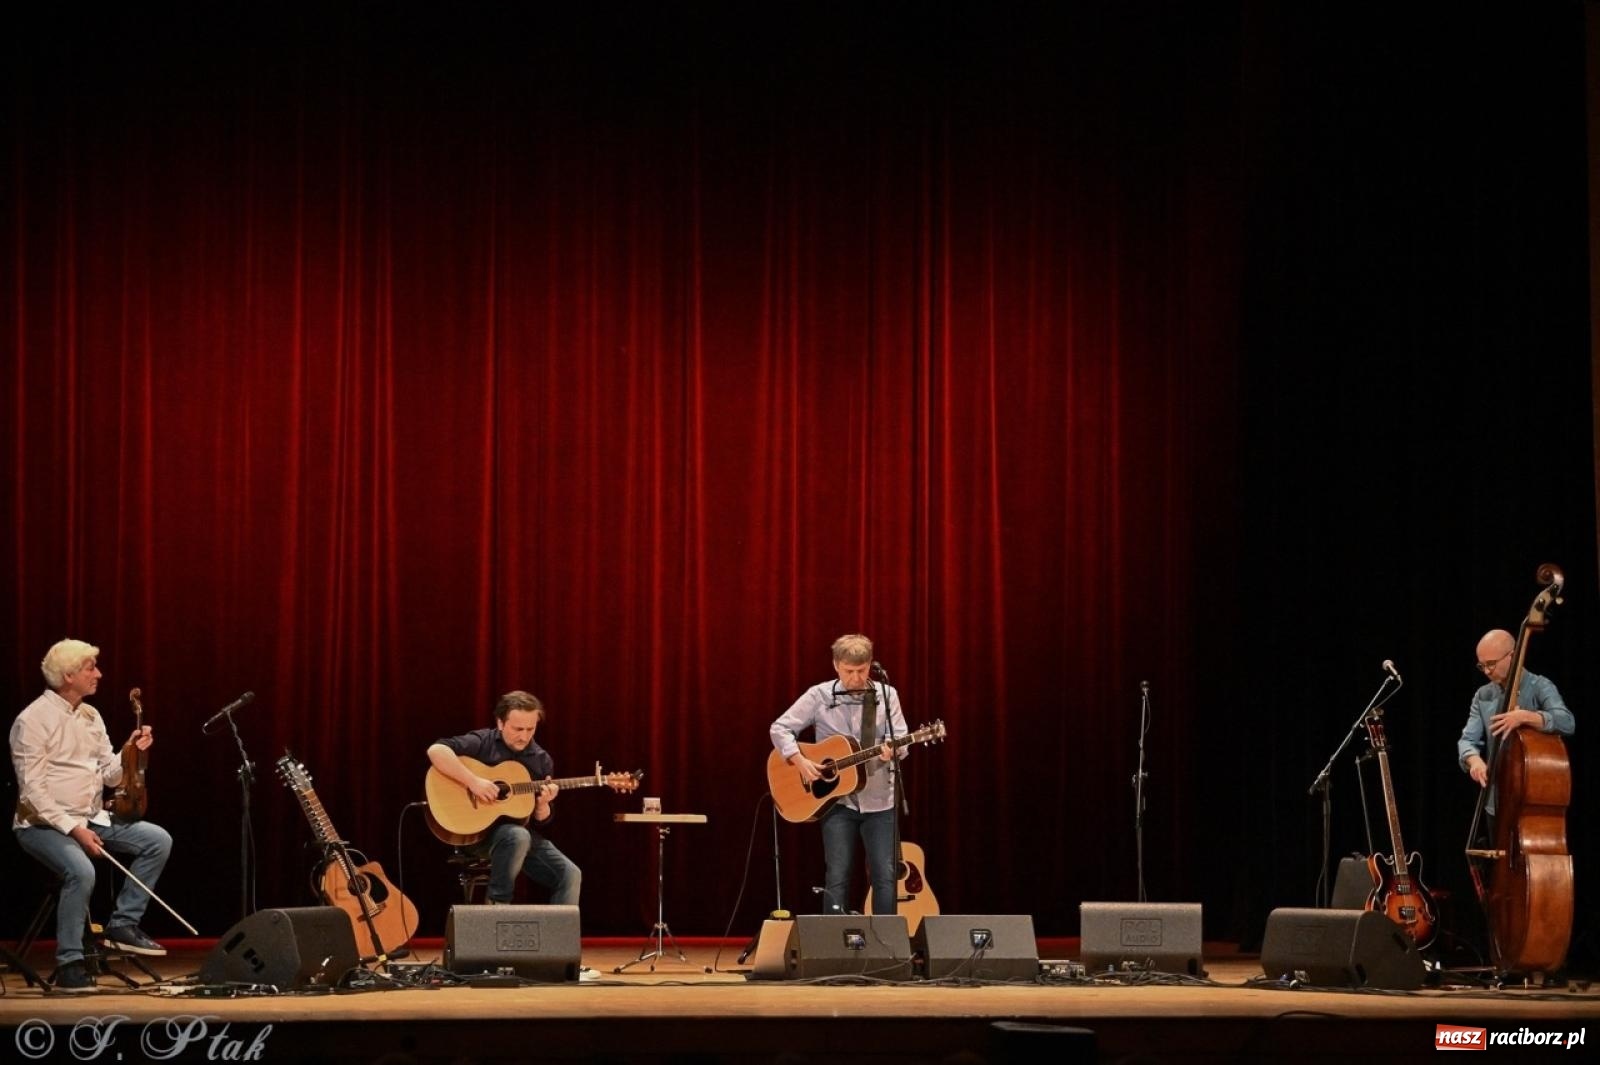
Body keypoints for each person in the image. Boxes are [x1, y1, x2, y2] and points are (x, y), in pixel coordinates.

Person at [11, 639, 173, 993]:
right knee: (81, 870)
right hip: (43, 825)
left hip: (91, 818)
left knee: (157, 839)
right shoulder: (32, 720)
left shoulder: (91, 715)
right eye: (90, 668)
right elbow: (32, 793)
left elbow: (110, 776)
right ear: (68, 675)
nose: (98, 674)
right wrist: (74, 831)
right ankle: (70, 962)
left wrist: (130, 750)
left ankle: (122, 925)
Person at [770, 633, 908, 917]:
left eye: (862, 670)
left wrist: (892, 752)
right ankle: (833, 947)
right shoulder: (818, 695)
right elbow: (780, 728)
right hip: (837, 804)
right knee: (838, 875)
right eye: (849, 671)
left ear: (871, 665)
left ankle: (887, 947)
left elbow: (902, 739)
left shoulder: (886, 695)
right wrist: (800, 761)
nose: (856, 678)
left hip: (880, 801)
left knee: (885, 875)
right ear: (836, 665)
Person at [427, 690, 581, 907]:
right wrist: (473, 782)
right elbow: (437, 750)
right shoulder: (483, 741)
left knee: (570, 875)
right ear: (500, 723)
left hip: (520, 837)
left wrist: (543, 804)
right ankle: (497, 909)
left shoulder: (541, 760)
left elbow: (542, 820)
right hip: (477, 836)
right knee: (517, 836)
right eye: (518, 729)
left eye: (531, 729)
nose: (525, 736)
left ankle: (561, 940)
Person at [1458, 628, 1575, 809]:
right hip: (1495, 801)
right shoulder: (1482, 695)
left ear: (1511, 656)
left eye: (1491, 664)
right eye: (1482, 666)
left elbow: (1567, 722)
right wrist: (1474, 761)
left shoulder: (1540, 686)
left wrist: (1526, 717)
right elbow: (1467, 740)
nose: (1487, 671)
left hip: (1533, 795)